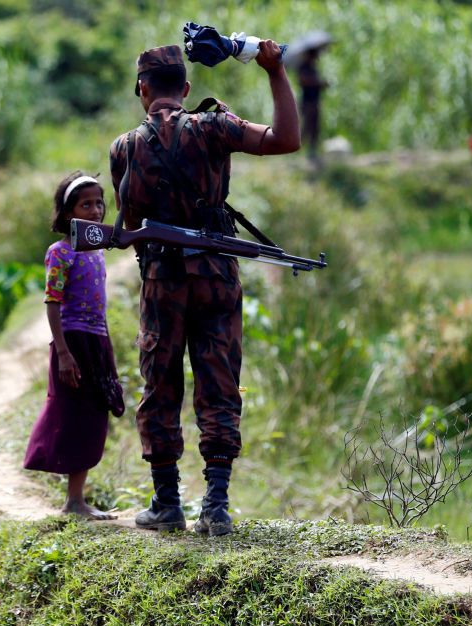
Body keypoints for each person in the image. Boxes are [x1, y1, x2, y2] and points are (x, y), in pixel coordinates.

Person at [109, 43, 299, 536]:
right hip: (217, 277)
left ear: (142, 89)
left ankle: (167, 502)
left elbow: (130, 220)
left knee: (160, 384)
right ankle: (215, 504)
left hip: (161, 282)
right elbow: (286, 139)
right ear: (187, 87)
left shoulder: (124, 148)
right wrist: (275, 71)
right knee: (220, 384)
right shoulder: (214, 126)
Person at [23, 171, 125, 520]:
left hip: (97, 341)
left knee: (94, 415)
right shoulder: (60, 253)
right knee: (73, 413)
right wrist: (64, 353)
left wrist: (108, 350)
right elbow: (53, 303)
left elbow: (100, 307)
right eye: (86, 205)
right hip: (73, 341)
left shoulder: (97, 252)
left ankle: (76, 499)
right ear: (68, 213)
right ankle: (74, 500)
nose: (96, 211)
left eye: (99, 203)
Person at [296, 46, 329, 166]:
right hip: (307, 102)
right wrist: (318, 83)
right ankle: (297, 149)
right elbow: (302, 80)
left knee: (315, 127)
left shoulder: (312, 67)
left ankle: (312, 151)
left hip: (314, 101)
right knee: (306, 126)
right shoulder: (304, 66)